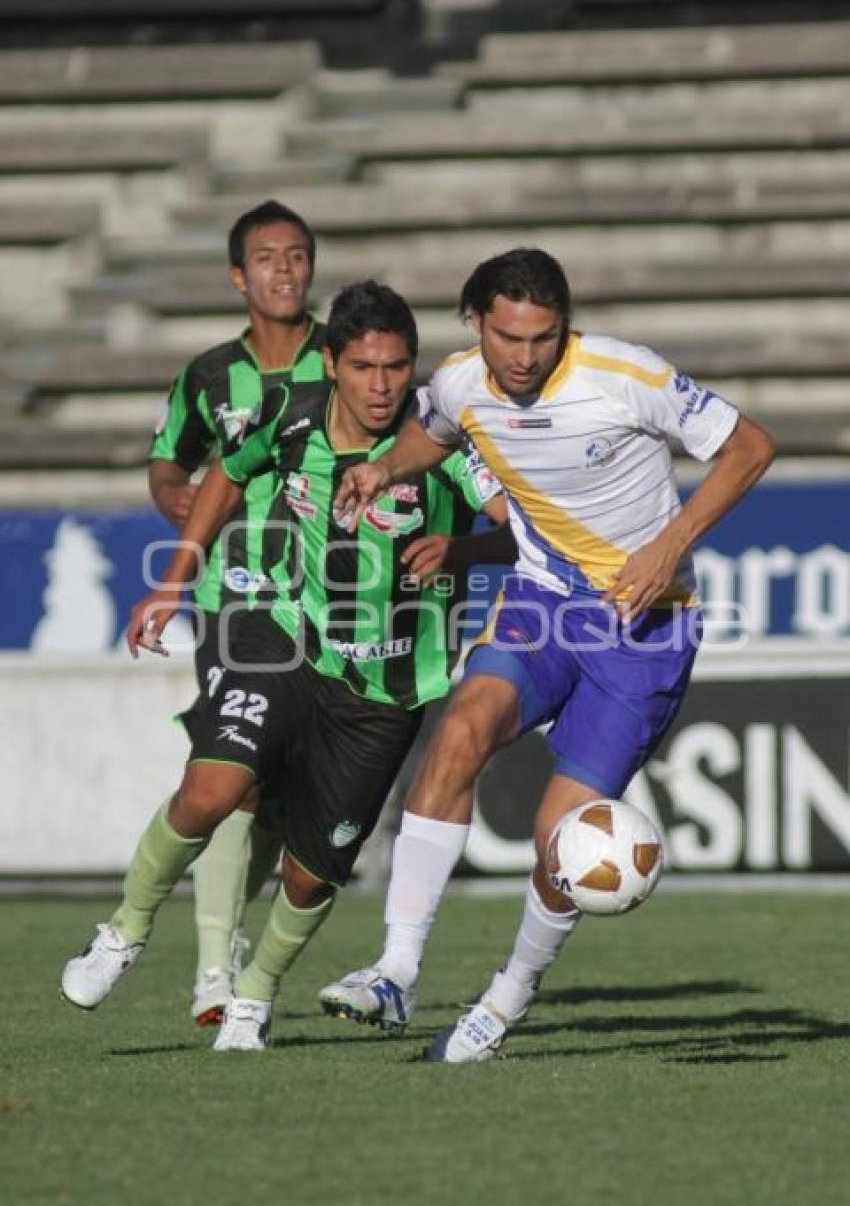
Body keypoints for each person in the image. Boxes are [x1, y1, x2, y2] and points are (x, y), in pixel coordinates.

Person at [323, 247, 775, 1062]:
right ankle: (395, 969)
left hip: (645, 626)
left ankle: (505, 998)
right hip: (543, 602)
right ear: (477, 324)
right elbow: (430, 434)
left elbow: (749, 447)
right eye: (508, 338)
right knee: (462, 726)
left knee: (556, 836)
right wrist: (379, 470)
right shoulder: (463, 383)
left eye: (542, 337)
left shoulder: (622, 374)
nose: (525, 357)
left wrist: (669, 545)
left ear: (564, 326)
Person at [60, 281, 513, 1051]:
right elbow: (228, 475)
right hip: (286, 639)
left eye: (397, 367)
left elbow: (523, 531)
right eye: (365, 366)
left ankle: (255, 994)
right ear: (331, 362)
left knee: (311, 874)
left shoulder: (443, 441)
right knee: (211, 790)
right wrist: (172, 584)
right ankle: (124, 929)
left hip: (388, 687)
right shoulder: (289, 415)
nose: (382, 386)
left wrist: (463, 549)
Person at [149, 198, 325, 1026]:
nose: (283, 270)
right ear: (236, 275)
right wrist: (176, 501)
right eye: (266, 257)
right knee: (240, 776)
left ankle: (231, 939)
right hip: (236, 599)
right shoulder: (209, 375)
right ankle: (213, 968)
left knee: (292, 798)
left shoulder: (353, 357)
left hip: (335, 604)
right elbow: (168, 464)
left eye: (295, 256)